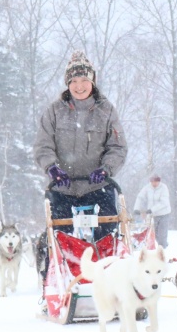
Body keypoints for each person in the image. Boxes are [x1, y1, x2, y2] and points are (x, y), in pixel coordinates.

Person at [33, 50, 128, 237]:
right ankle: (56, 262)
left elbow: (117, 147)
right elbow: (43, 145)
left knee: (108, 235)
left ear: (92, 82)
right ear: (67, 84)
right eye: (74, 81)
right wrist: (52, 168)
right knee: (57, 237)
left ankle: (107, 259)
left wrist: (105, 169)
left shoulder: (106, 110)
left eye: (84, 80)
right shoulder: (54, 111)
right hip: (63, 187)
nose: (79, 86)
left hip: (97, 186)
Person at [133, 174, 172, 246]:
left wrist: (152, 209)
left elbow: (164, 202)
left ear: (159, 181)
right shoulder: (147, 188)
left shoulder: (164, 188)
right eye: (152, 182)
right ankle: (161, 246)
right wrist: (136, 208)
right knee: (155, 235)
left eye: (156, 182)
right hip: (153, 215)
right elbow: (140, 197)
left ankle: (163, 249)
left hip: (164, 214)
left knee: (162, 235)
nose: (154, 183)